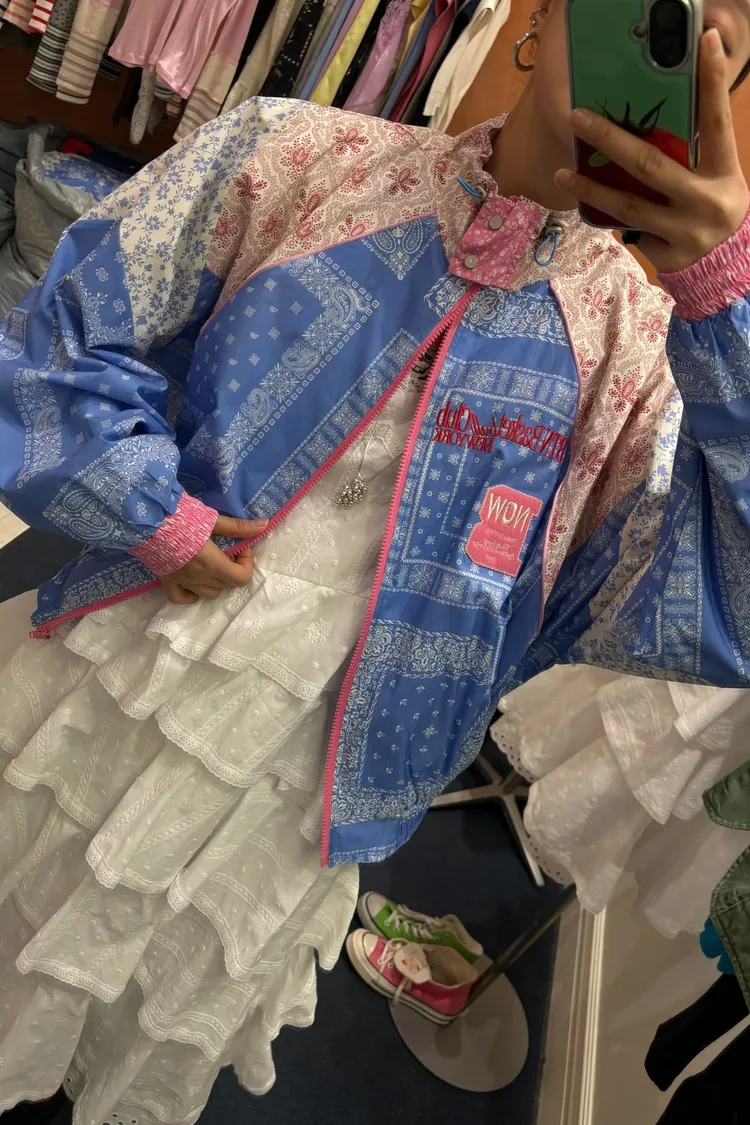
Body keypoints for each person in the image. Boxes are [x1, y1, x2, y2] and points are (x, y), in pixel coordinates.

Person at [0, 0, 749, 1120]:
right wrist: (146, 506)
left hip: (308, 800)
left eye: (718, 37)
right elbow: (59, 337)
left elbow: (734, 601)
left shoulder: (642, 369)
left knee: (129, 1010)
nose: (673, 45)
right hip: (126, 675)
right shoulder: (294, 152)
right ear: (549, 15)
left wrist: (723, 308)